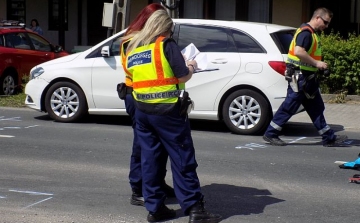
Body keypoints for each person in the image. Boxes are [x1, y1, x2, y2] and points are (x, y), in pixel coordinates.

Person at [125, 10, 222, 223]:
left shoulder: (134, 47)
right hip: (167, 112)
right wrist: (191, 66)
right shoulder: (165, 45)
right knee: (182, 158)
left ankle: (155, 208)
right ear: (166, 28)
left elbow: (132, 76)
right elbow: (182, 75)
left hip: (142, 111)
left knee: (150, 159)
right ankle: (195, 209)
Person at [263, 7, 347, 147]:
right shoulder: (306, 33)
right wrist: (317, 63)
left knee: (316, 107)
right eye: (325, 22)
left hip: (308, 79)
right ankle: (271, 133)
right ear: (317, 18)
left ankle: (328, 137)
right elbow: (299, 51)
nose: (326, 26)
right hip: (300, 78)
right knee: (290, 106)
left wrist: (316, 66)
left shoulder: (312, 33)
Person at [119, 3, 175, 207]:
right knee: (143, 145)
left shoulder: (149, 39)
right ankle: (138, 188)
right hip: (135, 94)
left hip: (147, 95)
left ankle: (156, 183)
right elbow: (134, 67)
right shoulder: (132, 40)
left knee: (157, 146)